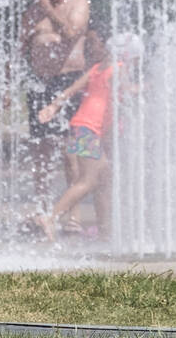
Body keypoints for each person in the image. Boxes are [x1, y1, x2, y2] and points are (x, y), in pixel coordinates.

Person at [32, 30, 127, 243]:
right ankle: (51, 218)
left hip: (81, 127)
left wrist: (53, 106)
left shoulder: (97, 69)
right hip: (88, 128)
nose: (91, 48)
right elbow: (126, 95)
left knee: (102, 179)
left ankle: (105, 233)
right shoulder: (119, 69)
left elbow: (71, 90)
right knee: (88, 180)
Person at [21, 0, 90, 217]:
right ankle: (42, 210)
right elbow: (19, 47)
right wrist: (6, 86)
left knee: (68, 147)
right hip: (39, 83)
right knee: (40, 148)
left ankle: (71, 214)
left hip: (66, 82)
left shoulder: (78, 4)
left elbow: (71, 32)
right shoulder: (32, 12)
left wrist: (48, 8)